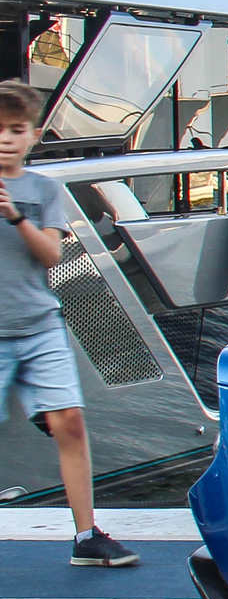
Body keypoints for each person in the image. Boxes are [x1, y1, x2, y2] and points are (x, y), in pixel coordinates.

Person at [0, 83, 132, 567]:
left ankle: (86, 536)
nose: (6, 139)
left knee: (70, 423)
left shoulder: (43, 190)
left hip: (39, 326)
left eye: (16, 130)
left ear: (33, 136)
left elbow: (52, 254)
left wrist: (15, 217)